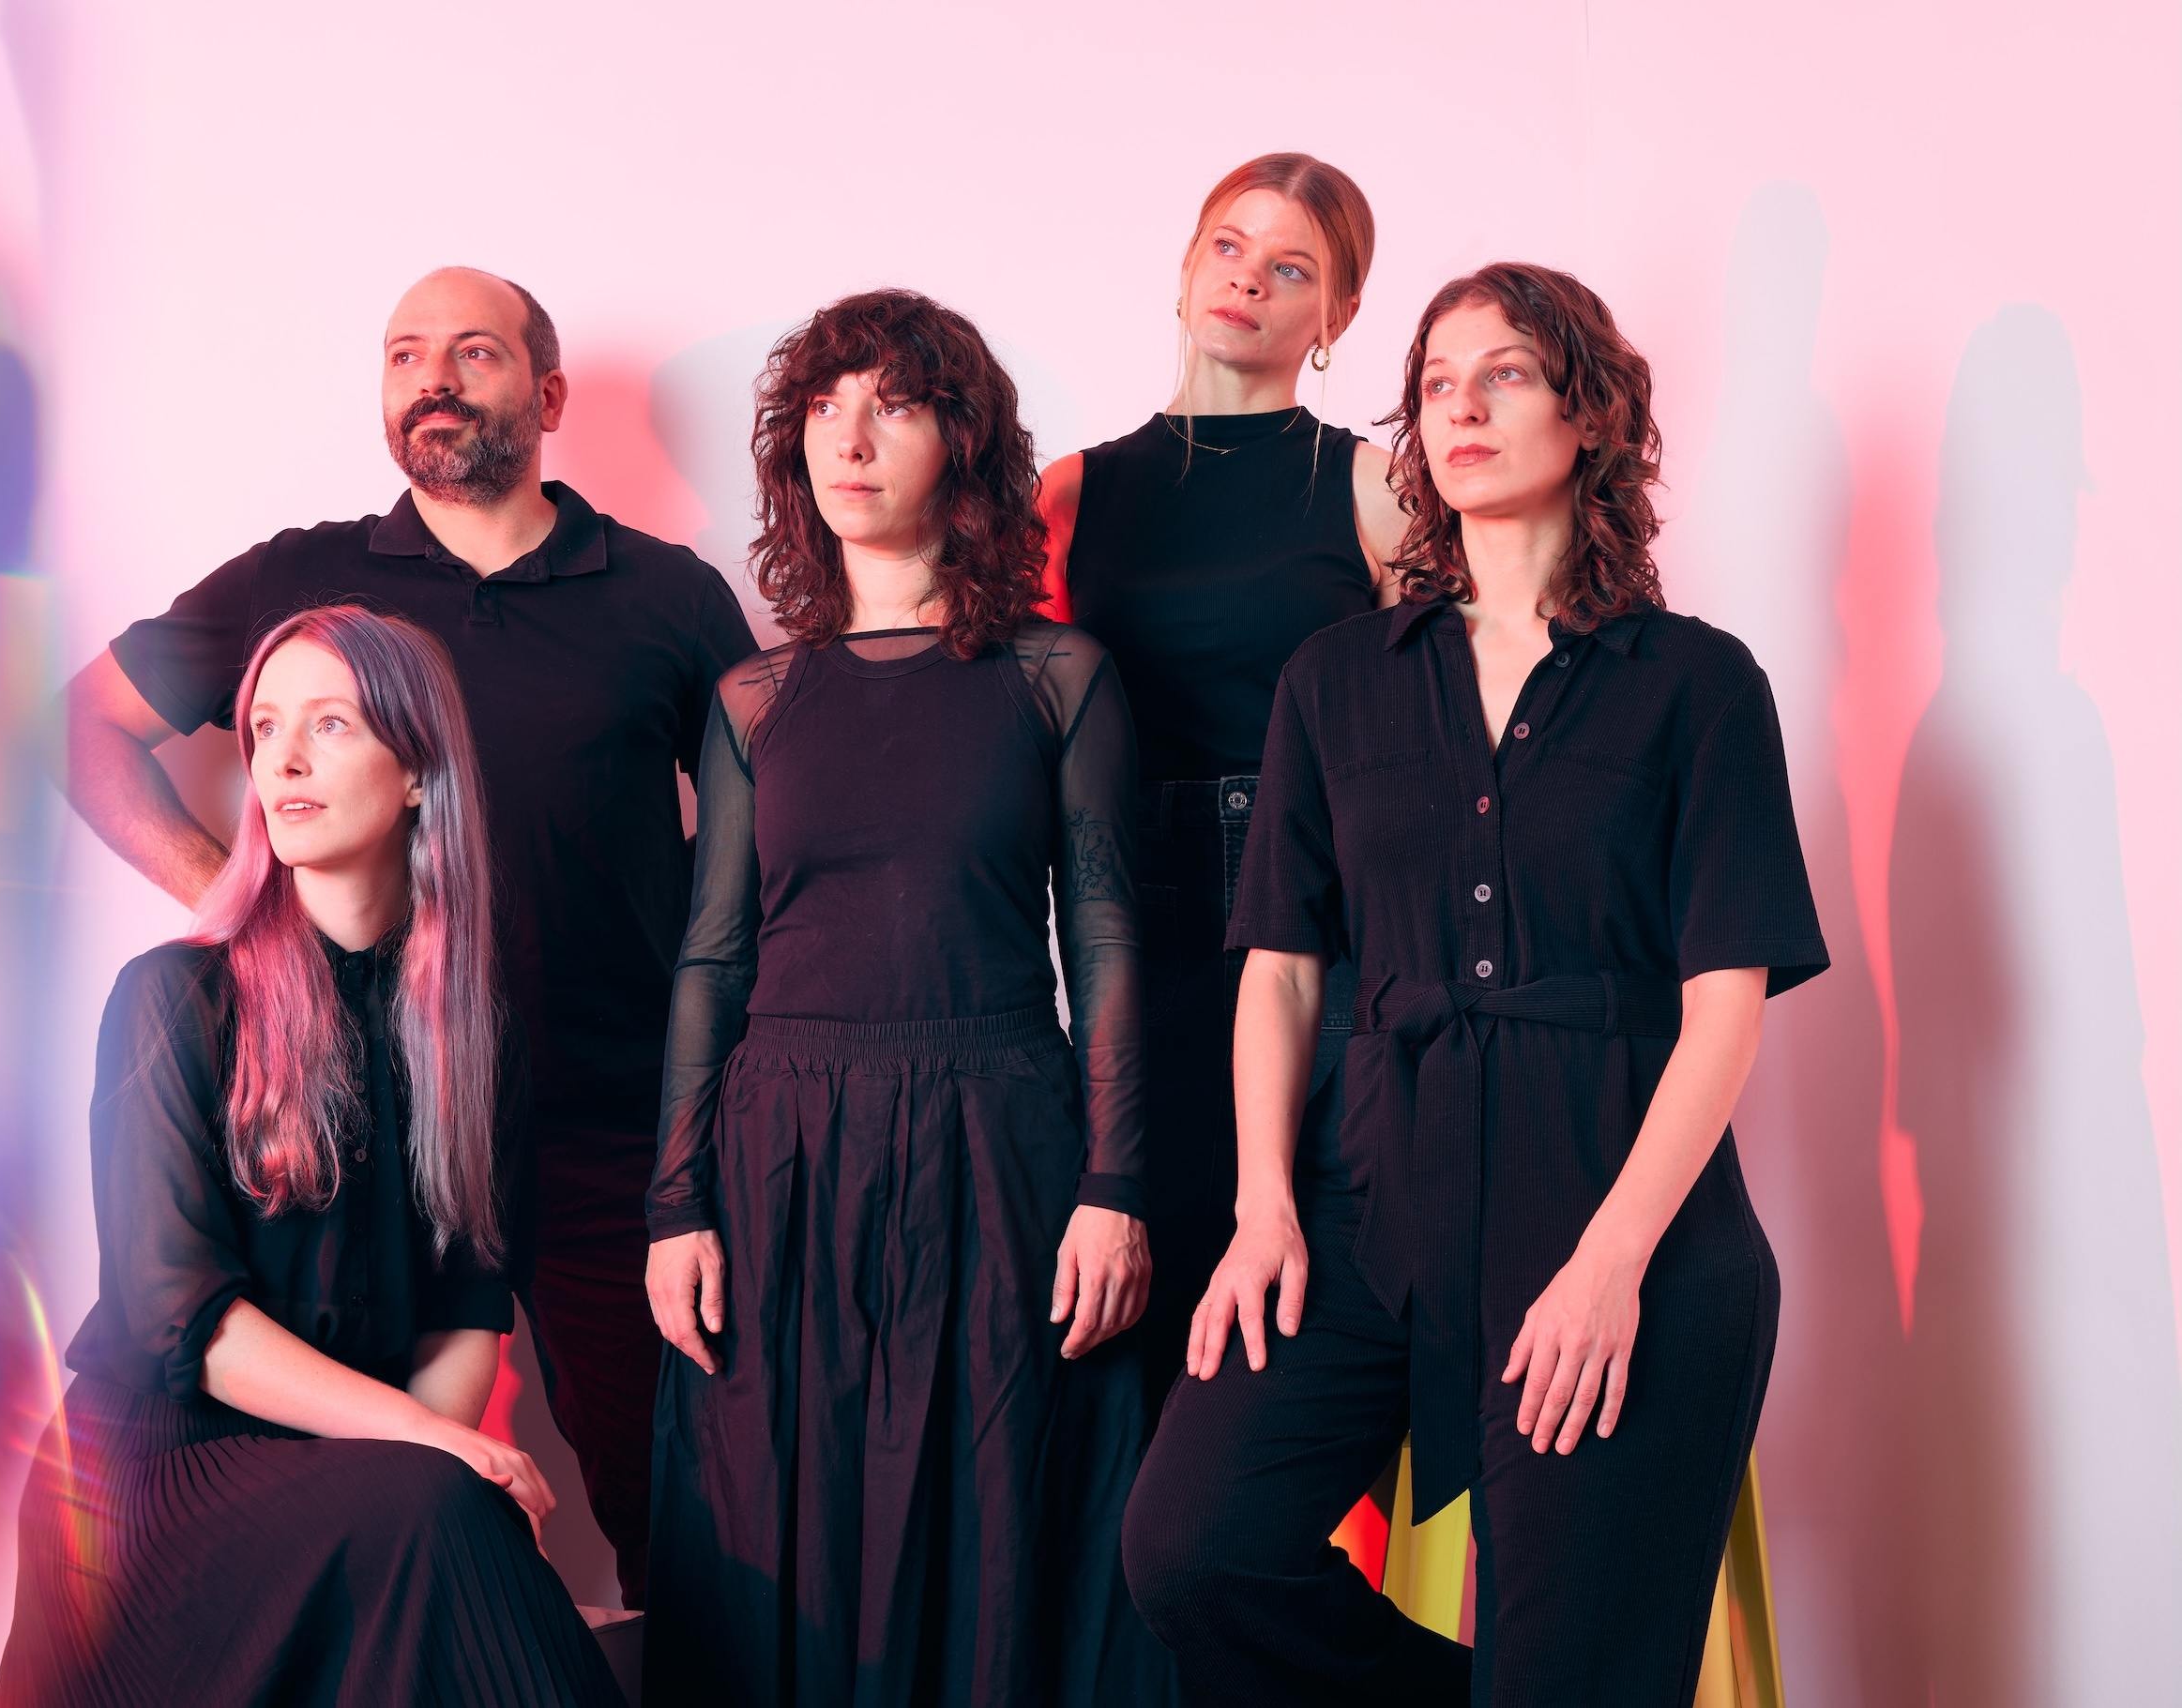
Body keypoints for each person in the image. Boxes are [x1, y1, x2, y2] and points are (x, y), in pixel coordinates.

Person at [1122, 263, 1829, 1703]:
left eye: (1500, 373)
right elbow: (1278, 973)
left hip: (1623, 1224)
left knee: (1572, 1662)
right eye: (1435, 382)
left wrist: (1610, 1262)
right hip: (1371, 1206)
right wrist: (1264, 1205)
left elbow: (1721, 1008)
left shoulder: (1696, 685)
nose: (1458, 405)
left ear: (1587, 415)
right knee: (1189, 1548)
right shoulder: (1335, 676)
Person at [56, 267, 756, 1601]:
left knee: (687, 1507)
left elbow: (755, 847)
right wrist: (238, 904)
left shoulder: (666, 596)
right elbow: (79, 726)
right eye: (403, 356)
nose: (431, 377)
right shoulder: (306, 575)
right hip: (386, 1120)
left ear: (543, 396)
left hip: (619, 1120)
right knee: (385, 1493)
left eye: (472, 352)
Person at [642, 290, 1169, 1705]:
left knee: (1000, 1520)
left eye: (893, 403)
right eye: (823, 409)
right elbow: (712, 956)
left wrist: (1118, 1183)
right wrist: (675, 1203)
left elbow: (1109, 935)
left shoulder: (1057, 677)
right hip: (776, 1154)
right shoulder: (756, 696)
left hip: (998, 1137)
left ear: (965, 441)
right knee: (775, 1535)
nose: (850, 439)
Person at [0, 605, 623, 1707]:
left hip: (351, 1472)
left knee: (446, 1512)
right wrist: (432, 1448)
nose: (281, 759)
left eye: (329, 725)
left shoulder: (475, 1040)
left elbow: (468, 1314)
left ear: (420, 772)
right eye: (266, 727)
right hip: (156, 1477)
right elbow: (189, 1326)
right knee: (441, 1504)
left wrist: (435, 1454)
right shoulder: (172, 999)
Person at [1038, 151, 1403, 1408]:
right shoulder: (1076, 492)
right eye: (1227, 250)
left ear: (1334, 318)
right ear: (1184, 271)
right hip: (1139, 933)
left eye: (1289, 268)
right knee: (1150, 1317)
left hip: (1322, 936)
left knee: (1309, 1310)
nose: (1247, 281)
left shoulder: (1365, 486)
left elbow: (1439, 729)